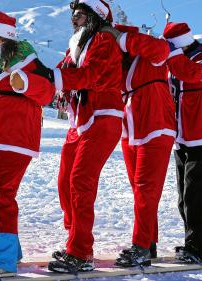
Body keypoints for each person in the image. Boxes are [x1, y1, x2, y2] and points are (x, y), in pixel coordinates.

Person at [13, 0, 124, 273]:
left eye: (79, 15)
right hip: (81, 122)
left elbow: (92, 74)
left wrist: (56, 77)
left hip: (103, 117)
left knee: (81, 181)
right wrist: (32, 70)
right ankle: (75, 238)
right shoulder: (76, 46)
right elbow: (58, 72)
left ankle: (81, 252)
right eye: (72, 15)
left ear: (95, 17)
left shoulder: (103, 40)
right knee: (65, 182)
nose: (73, 20)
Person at [0, 7, 55, 278]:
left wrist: (25, 82)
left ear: (4, 38)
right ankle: (6, 247)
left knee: (1, 193)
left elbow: (48, 91)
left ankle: (2, 261)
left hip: (17, 138)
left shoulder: (25, 62)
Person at [111, 24, 175, 268]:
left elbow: (162, 49)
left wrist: (124, 38)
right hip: (132, 130)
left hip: (156, 125)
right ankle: (149, 243)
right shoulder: (120, 63)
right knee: (139, 191)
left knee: (146, 189)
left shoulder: (151, 54)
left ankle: (140, 247)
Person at [164, 22, 202, 263]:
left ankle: (198, 248)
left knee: (197, 192)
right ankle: (192, 241)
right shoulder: (177, 61)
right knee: (185, 194)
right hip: (183, 136)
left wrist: (172, 54)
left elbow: (194, 74)